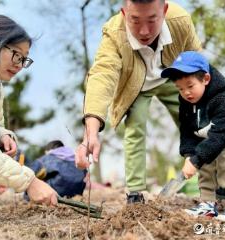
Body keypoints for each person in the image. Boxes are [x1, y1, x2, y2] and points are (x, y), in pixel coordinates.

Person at [75, 0, 202, 204]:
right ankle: (135, 192)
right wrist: (90, 132)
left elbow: (198, 61)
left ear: (164, 10)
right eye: (135, 20)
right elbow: (102, 75)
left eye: (152, 20)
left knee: (197, 123)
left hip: (174, 78)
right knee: (135, 128)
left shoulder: (180, 20)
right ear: (124, 13)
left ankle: (212, 182)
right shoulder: (114, 33)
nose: (144, 31)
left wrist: (214, 104)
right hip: (138, 85)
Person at [0, 15, 58, 207]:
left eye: (24, 59)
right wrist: (29, 182)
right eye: (15, 54)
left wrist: (3, 135)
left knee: (1, 147)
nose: (19, 64)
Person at [161, 51, 225, 224]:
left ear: (205, 79)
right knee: (204, 163)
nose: (186, 93)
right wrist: (190, 156)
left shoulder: (223, 100)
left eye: (190, 86)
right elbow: (187, 130)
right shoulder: (186, 103)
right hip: (210, 134)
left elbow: (221, 135)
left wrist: (198, 158)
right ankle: (207, 204)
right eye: (180, 88)